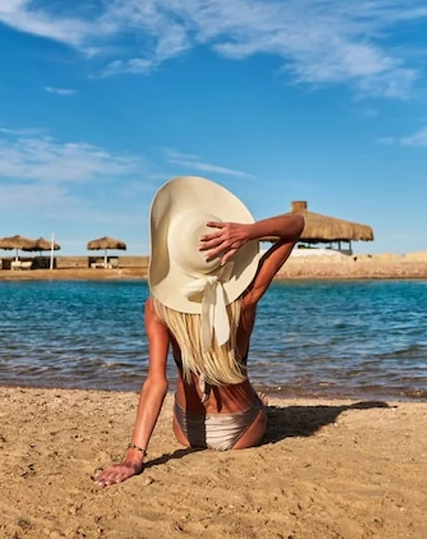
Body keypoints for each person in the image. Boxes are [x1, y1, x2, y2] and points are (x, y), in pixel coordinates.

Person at [95, 176, 304, 487]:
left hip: (188, 430)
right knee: (258, 404)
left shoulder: (157, 308)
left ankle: (255, 403)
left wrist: (134, 456)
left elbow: (156, 382)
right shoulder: (245, 297)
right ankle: (259, 403)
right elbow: (295, 226)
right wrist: (247, 232)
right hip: (242, 428)